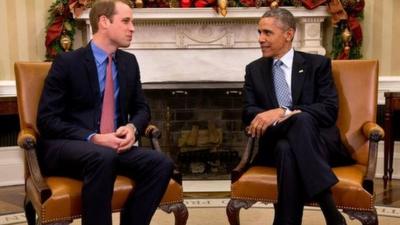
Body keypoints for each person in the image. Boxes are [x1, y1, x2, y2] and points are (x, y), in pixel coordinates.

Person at [36, 1, 173, 225]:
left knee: (161, 163)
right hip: (69, 146)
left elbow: (141, 108)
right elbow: (47, 120)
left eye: (133, 22)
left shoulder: (129, 63)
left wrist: (131, 128)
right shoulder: (68, 63)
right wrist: (94, 138)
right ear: (104, 22)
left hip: (113, 147)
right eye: (126, 21)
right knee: (102, 156)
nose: (133, 28)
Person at [242, 8, 354, 225]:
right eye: (259, 32)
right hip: (272, 143)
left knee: (291, 142)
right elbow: (247, 112)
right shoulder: (254, 70)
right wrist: (283, 115)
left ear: (288, 34)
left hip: (318, 143)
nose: (260, 39)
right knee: (292, 132)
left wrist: (282, 111)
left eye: (267, 33)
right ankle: (331, 214)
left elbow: (329, 109)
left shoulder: (317, 65)